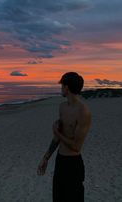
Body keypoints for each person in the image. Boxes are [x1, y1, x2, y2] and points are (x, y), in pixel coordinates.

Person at [37, 72, 92, 202]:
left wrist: (57, 133)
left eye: (62, 85)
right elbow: (57, 138)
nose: (61, 88)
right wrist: (46, 158)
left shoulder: (83, 111)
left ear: (66, 87)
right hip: (60, 161)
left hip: (73, 164)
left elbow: (76, 147)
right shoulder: (62, 107)